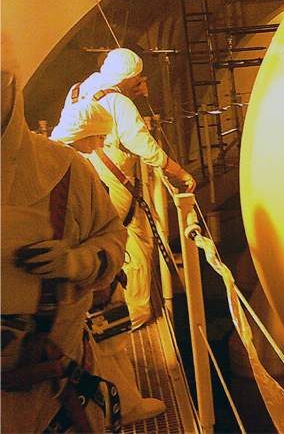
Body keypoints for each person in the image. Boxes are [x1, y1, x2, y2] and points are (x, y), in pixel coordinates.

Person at [1, 33, 127, 433]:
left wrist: (78, 262)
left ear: (10, 87)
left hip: (57, 398)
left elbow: (111, 237)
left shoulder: (64, 170)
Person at [50, 95, 167, 425]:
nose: (102, 142)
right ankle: (128, 406)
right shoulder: (71, 166)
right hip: (93, 276)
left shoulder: (51, 157)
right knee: (109, 342)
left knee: (94, 343)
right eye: (99, 136)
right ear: (84, 132)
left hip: (76, 277)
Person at [59, 47, 196, 329]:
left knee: (93, 237)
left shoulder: (77, 89)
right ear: (126, 77)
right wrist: (179, 172)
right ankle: (136, 312)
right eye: (138, 81)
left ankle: (99, 304)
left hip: (81, 174)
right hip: (114, 178)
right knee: (133, 240)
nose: (142, 88)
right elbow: (143, 145)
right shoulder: (118, 102)